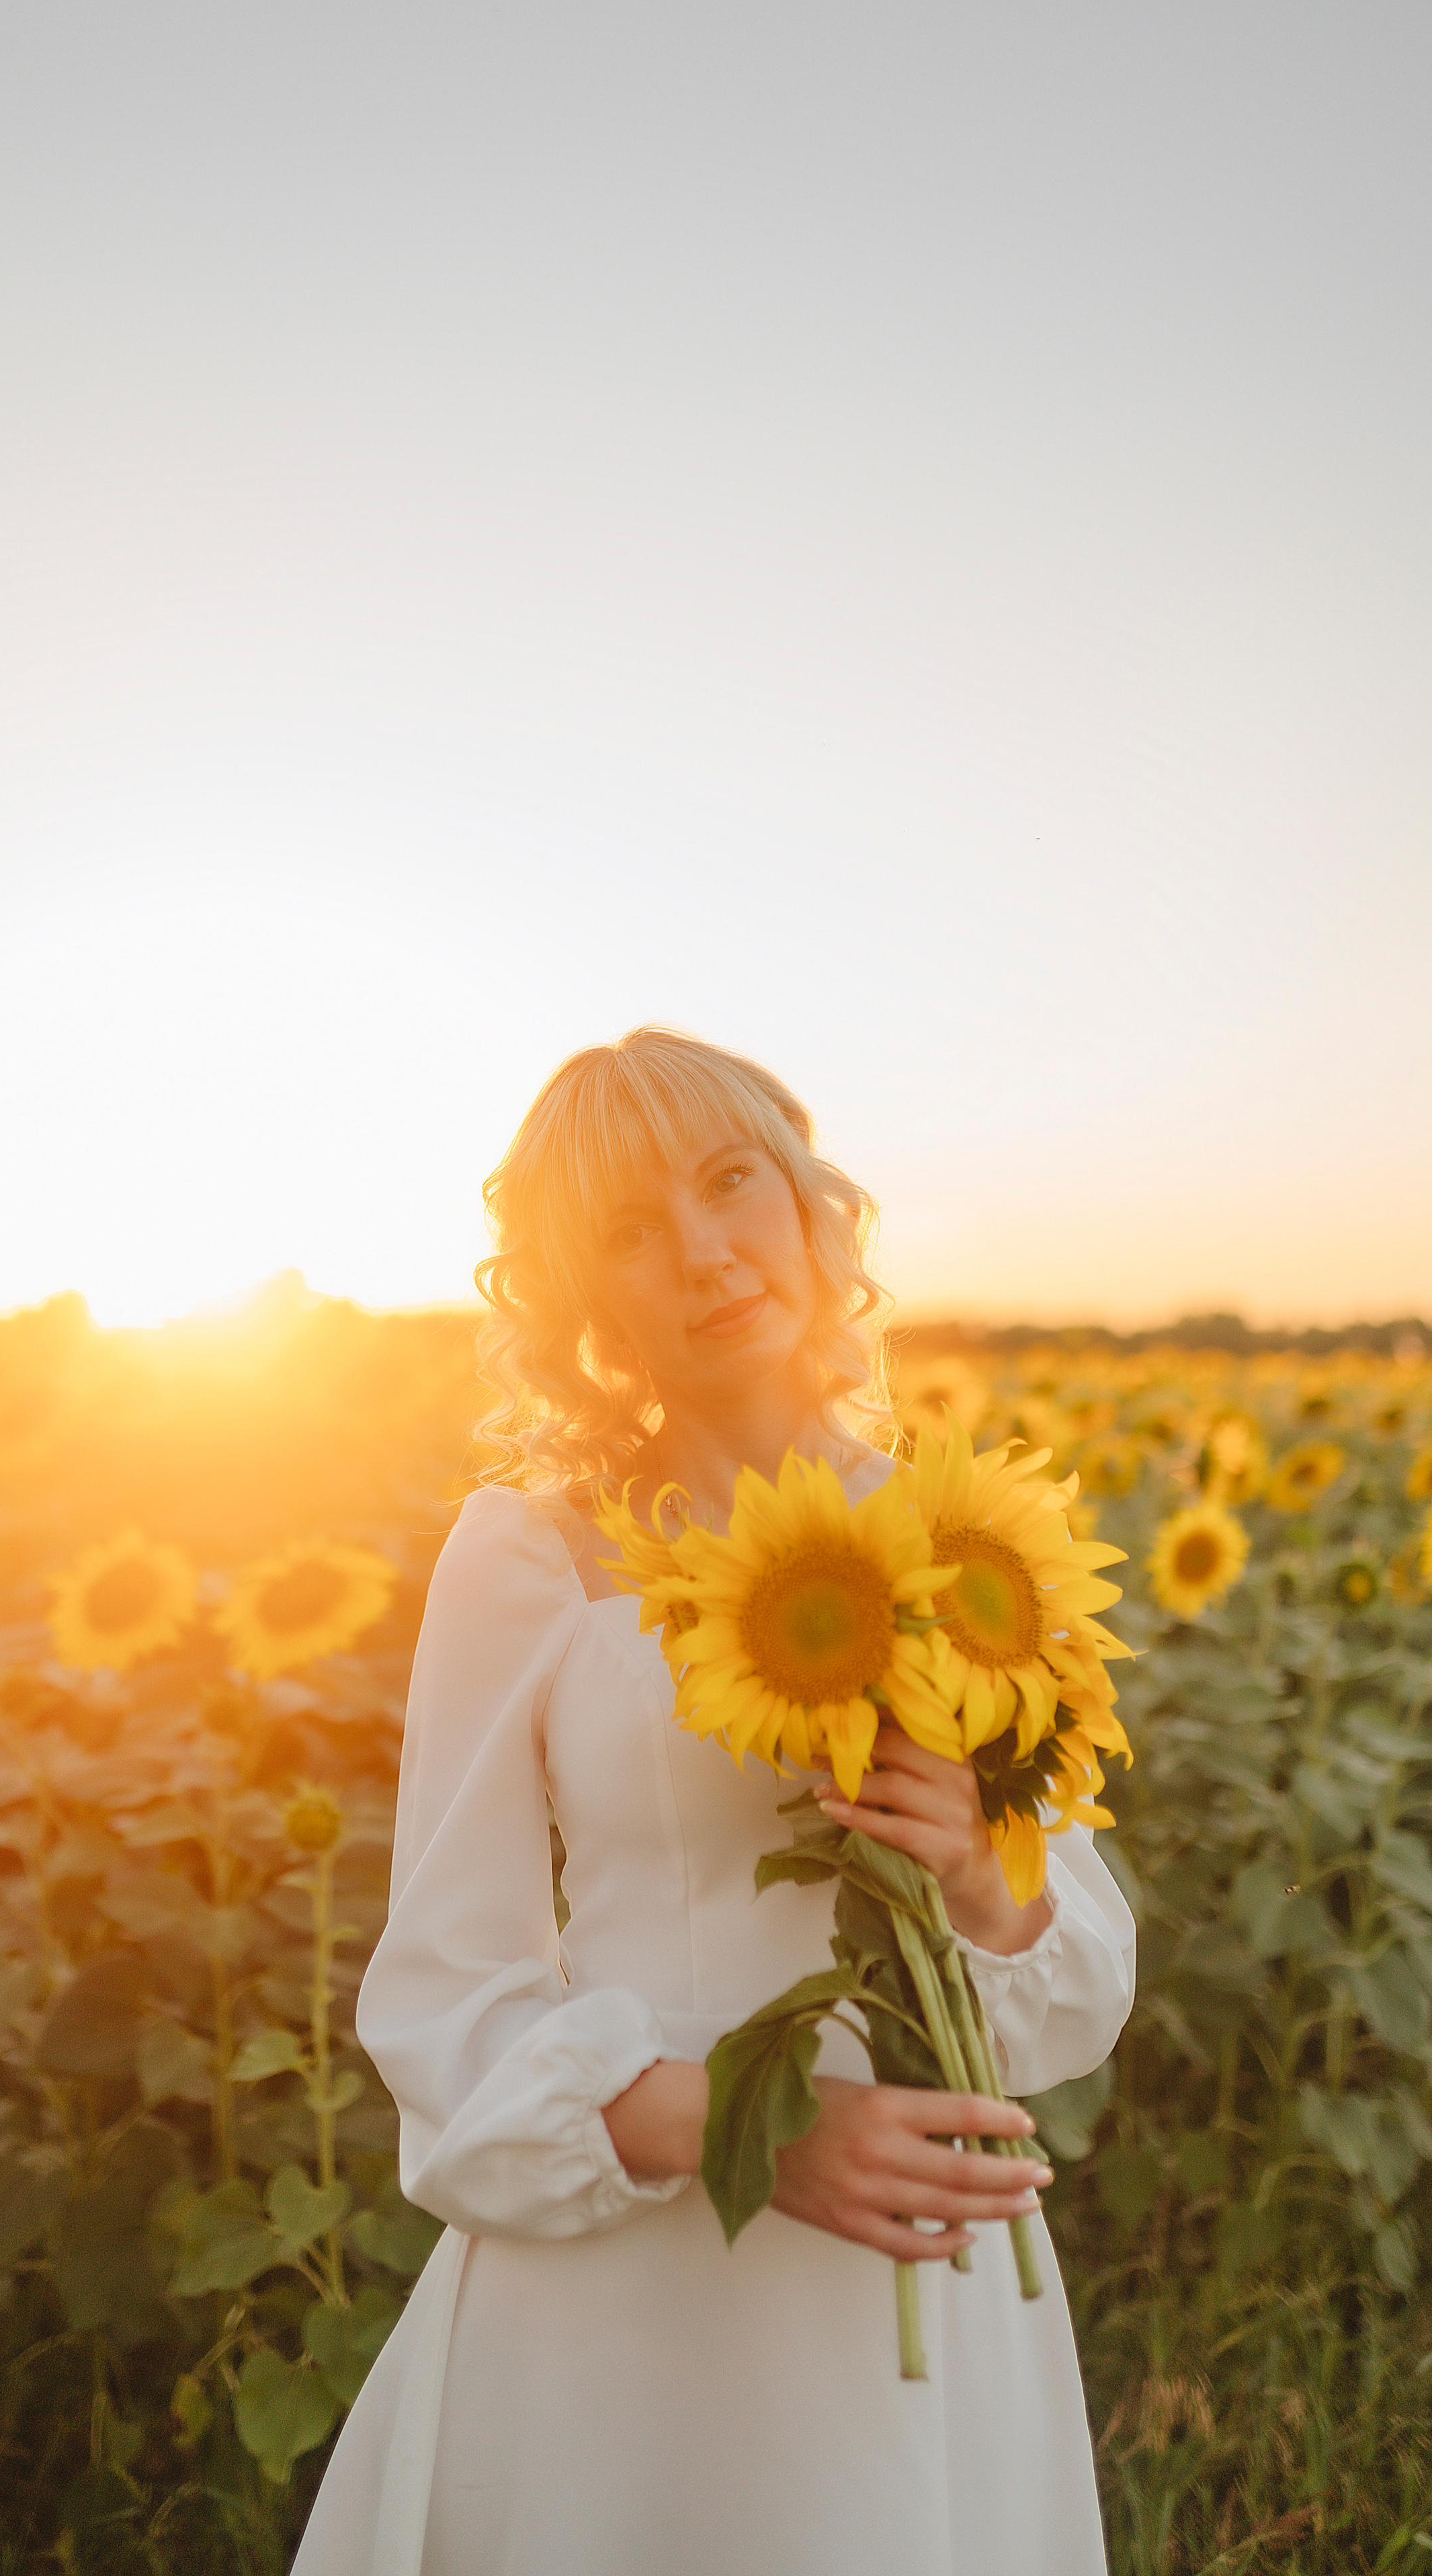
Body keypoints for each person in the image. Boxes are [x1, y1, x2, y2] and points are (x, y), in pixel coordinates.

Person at [293, 1027, 1133, 2576]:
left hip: (923, 2278)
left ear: (809, 1202)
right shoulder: (529, 1550)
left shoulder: (961, 1539)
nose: (697, 1249)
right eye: (624, 1227)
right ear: (575, 1301)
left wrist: (971, 1866)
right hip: (633, 2292)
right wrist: (765, 2129)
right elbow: (443, 1998)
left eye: (728, 1179)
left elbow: (1064, 1974)